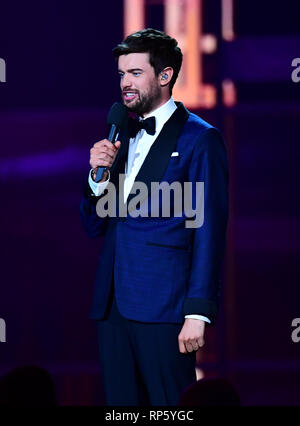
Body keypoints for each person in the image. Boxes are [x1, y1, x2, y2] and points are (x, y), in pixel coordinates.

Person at [80, 28, 228, 406]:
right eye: (121, 74)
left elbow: (208, 229)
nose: (124, 84)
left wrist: (198, 311)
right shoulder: (120, 132)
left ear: (164, 76)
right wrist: (97, 179)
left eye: (134, 73)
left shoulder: (200, 138)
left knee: (169, 407)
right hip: (112, 306)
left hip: (165, 308)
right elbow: (95, 224)